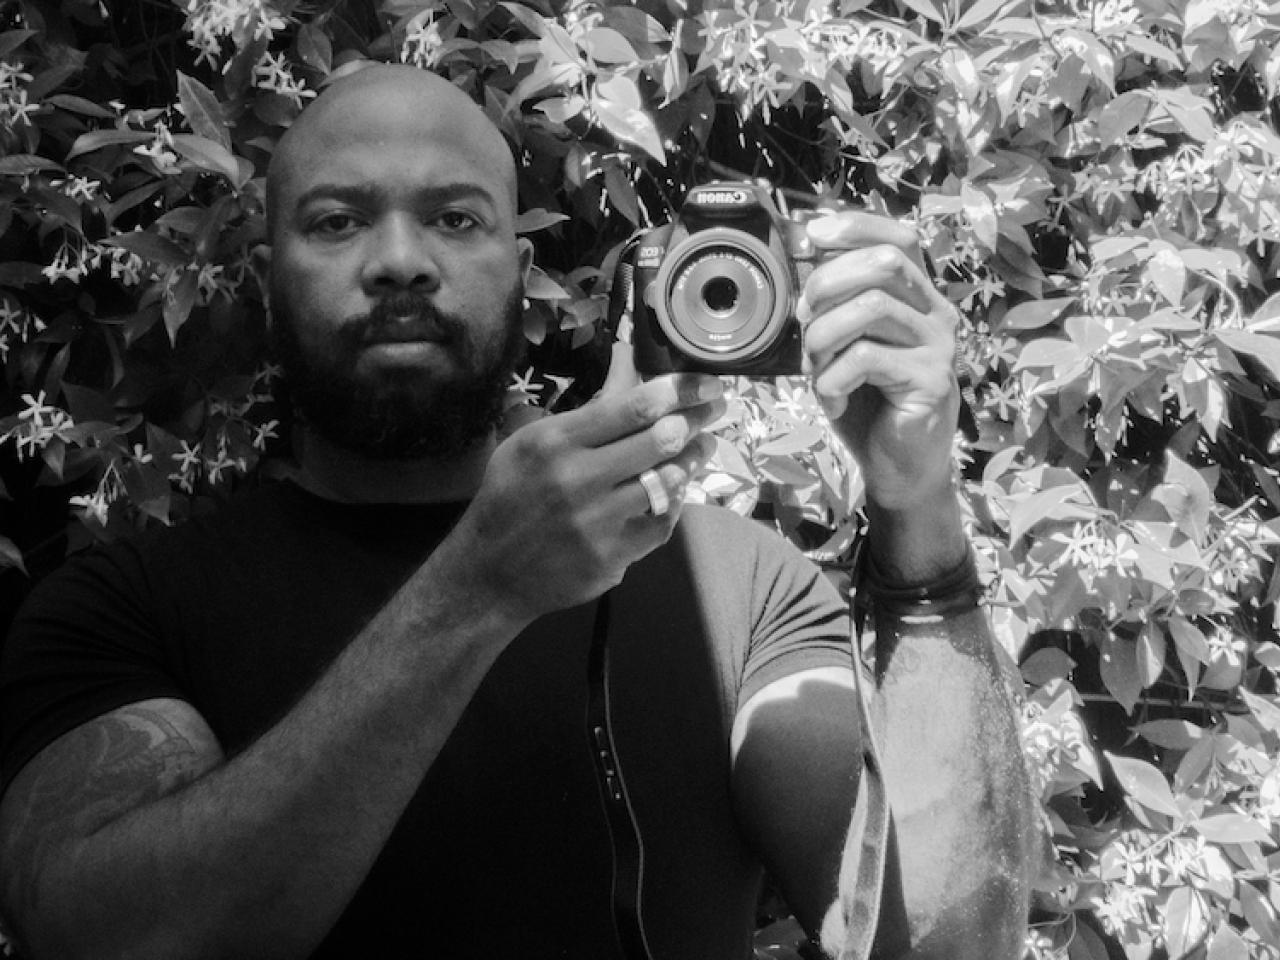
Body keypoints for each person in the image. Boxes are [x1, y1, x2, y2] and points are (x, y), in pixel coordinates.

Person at [0, 64, 1034, 960]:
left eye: (455, 218)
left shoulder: (740, 591)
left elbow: (948, 940)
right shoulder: (119, 609)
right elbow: (109, 937)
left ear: (521, 274)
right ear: (269, 286)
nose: (399, 260)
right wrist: (472, 591)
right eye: (336, 220)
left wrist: (919, 509)